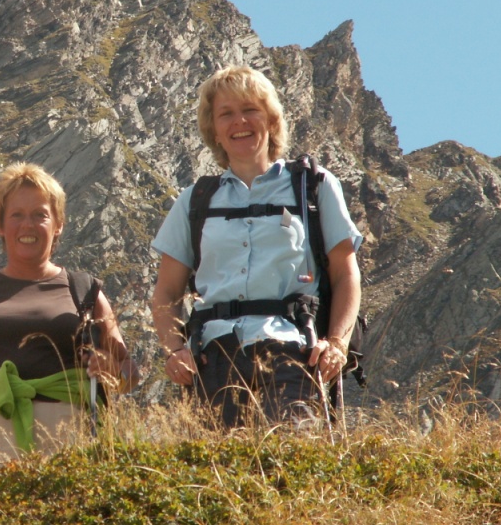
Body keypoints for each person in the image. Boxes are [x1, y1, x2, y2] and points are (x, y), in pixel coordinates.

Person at [151, 66, 361, 427]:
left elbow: (346, 274)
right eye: (226, 113)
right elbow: (166, 293)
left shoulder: (314, 186)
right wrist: (174, 350)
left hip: (293, 353)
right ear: (213, 129)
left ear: (271, 119)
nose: (239, 122)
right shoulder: (194, 200)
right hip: (213, 361)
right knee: (214, 476)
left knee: (294, 470)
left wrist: (337, 344)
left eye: (250, 110)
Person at [0, 162, 138, 481]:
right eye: (17, 215)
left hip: (70, 439)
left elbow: (129, 374)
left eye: (40, 214)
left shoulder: (85, 290)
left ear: (58, 225)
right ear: (0, 225)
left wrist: (109, 370)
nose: (28, 225)